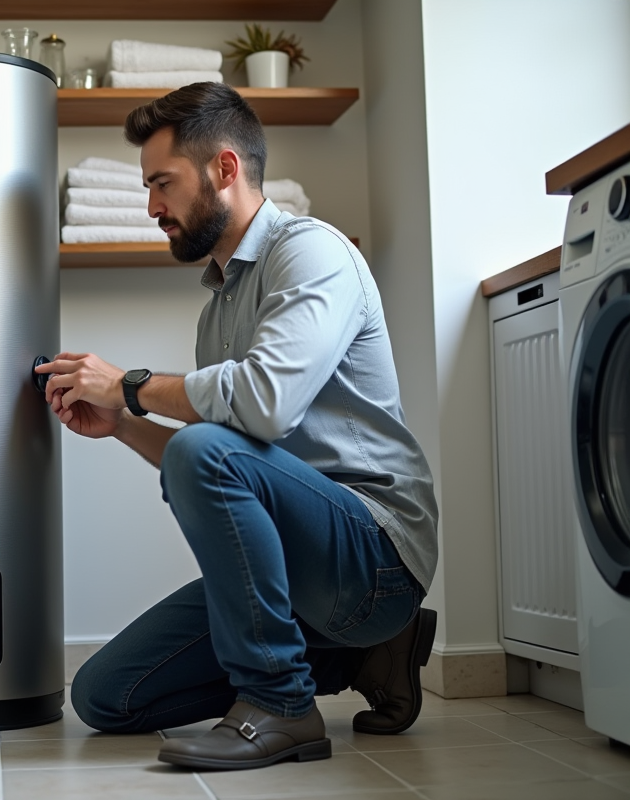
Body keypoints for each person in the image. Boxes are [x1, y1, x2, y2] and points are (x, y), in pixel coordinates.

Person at [35, 82, 439, 771]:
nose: (152, 207)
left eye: (162, 183)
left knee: (204, 446)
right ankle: (360, 656)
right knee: (106, 696)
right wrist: (121, 424)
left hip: (373, 556)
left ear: (224, 169)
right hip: (296, 570)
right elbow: (226, 459)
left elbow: (261, 407)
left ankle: (281, 703)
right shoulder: (218, 310)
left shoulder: (312, 253)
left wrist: (130, 384)